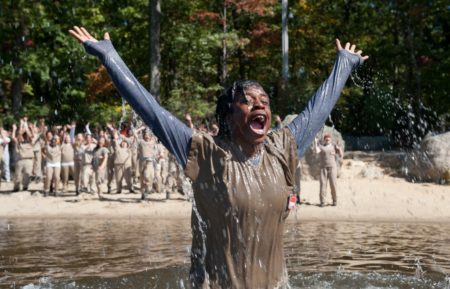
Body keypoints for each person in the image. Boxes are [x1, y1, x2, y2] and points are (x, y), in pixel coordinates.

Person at [69, 26, 367, 288]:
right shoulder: (204, 151)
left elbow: (317, 109)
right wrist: (110, 58)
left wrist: (343, 63)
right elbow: (151, 112)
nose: (259, 106)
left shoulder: (282, 148)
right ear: (229, 114)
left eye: (264, 101)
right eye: (247, 102)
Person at [314, 133, 343, 207]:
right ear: (324, 139)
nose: (327, 139)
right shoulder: (321, 146)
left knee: (333, 184)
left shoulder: (334, 146)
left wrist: (339, 148)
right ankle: (322, 201)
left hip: (332, 168)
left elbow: (341, 155)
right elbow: (317, 151)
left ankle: (335, 201)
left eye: (328, 138)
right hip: (323, 168)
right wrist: (316, 142)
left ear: (330, 139)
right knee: (323, 185)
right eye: (326, 138)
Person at [11, 119, 35, 192]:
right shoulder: (18, 142)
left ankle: (25, 186)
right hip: (20, 160)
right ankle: (16, 187)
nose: (23, 136)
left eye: (24, 135)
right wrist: (15, 129)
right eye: (22, 135)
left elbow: (31, 135)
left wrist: (26, 125)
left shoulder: (30, 141)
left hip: (28, 160)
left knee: (27, 175)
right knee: (17, 175)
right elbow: (14, 137)